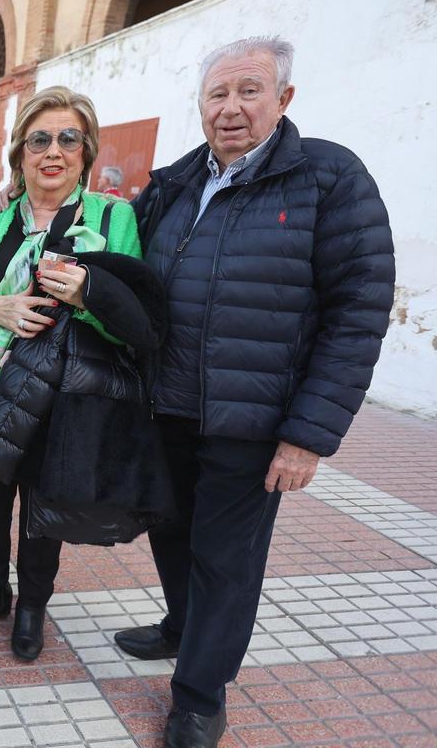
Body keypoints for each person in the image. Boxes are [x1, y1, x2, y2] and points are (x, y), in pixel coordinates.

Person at [111, 36, 394, 748]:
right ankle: (183, 626)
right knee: (169, 529)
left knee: (225, 557)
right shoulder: (174, 182)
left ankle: (200, 694)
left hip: (253, 418)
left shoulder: (328, 178)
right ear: (200, 106)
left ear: (283, 100)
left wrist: (307, 434)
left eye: (248, 91)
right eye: (217, 94)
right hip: (168, 405)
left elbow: (358, 310)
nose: (231, 108)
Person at [0, 86, 144, 661]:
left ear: (86, 152)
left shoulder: (112, 218)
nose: (53, 151)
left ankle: (32, 606)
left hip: (65, 396)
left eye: (68, 138)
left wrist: (88, 292)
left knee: (42, 507)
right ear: (20, 153)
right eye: (39, 139)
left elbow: (135, 316)